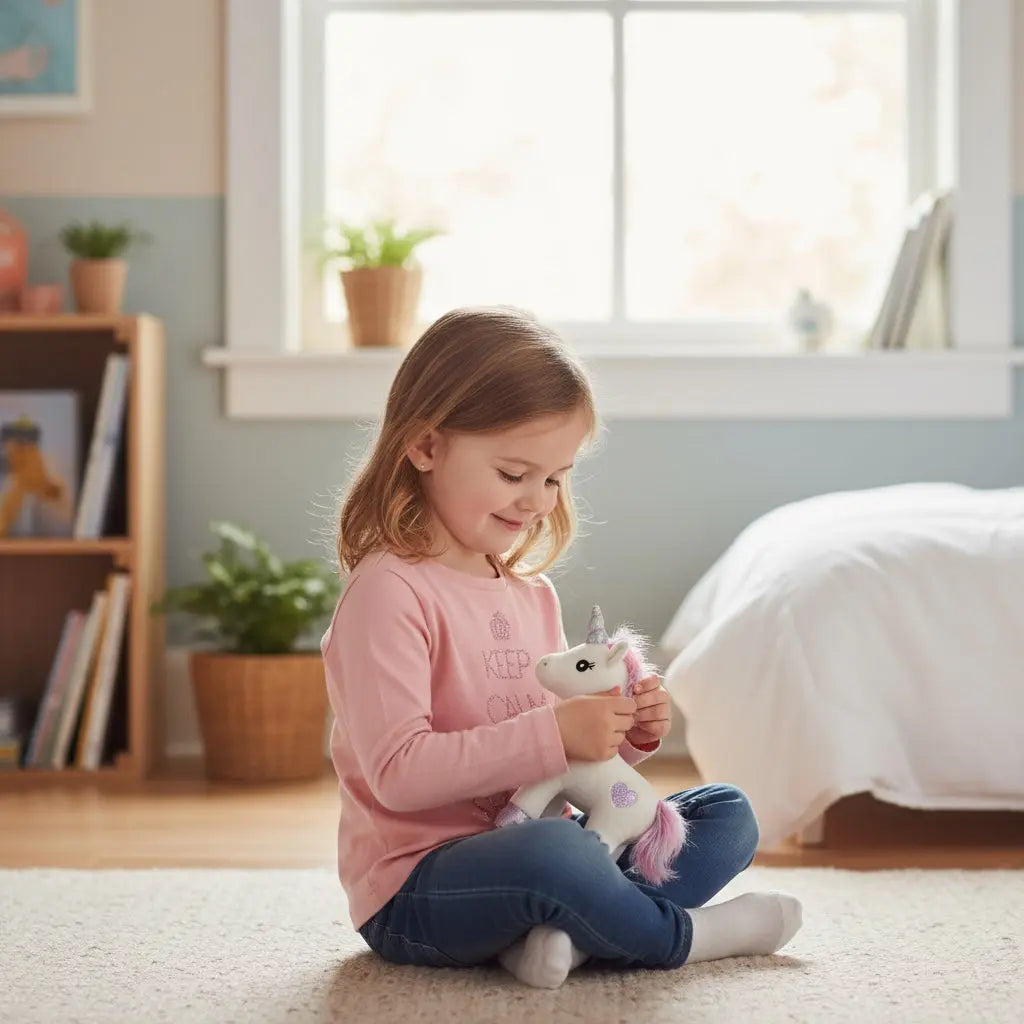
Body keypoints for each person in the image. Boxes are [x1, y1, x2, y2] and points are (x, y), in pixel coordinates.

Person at [323, 306, 802, 989]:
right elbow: (400, 773)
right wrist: (554, 733)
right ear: (426, 446)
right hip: (421, 889)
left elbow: (561, 764)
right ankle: (688, 937)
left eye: (554, 477)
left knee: (723, 815)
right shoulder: (389, 593)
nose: (537, 500)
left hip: (554, 850)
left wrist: (622, 735)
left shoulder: (531, 593)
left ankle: (562, 939)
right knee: (555, 854)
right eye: (515, 473)